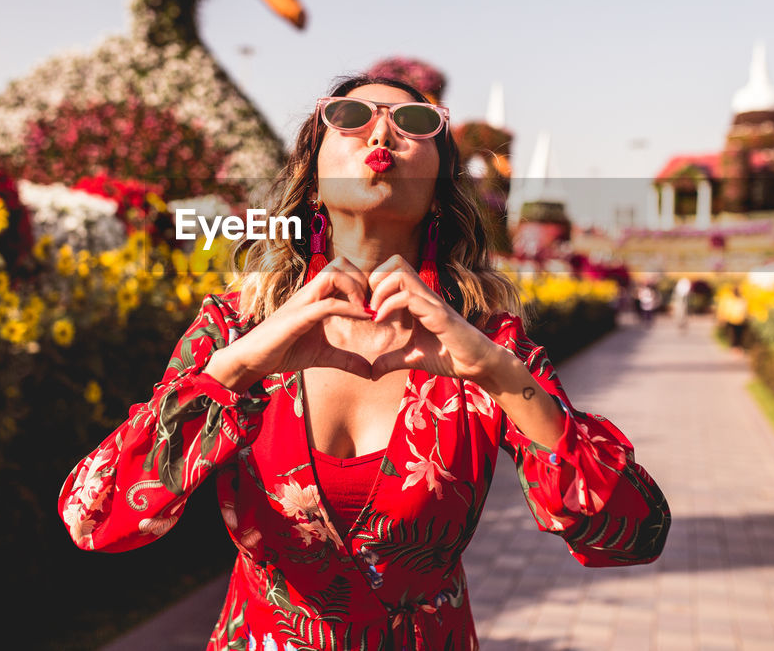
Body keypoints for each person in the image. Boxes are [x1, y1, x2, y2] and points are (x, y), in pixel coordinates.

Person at [58, 76, 670, 650]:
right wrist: (238, 367)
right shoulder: (235, 326)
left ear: (440, 188)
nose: (381, 135)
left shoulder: (485, 341)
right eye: (350, 119)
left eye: (412, 122)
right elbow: (97, 518)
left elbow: (634, 533)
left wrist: (499, 375)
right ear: (313, 178)